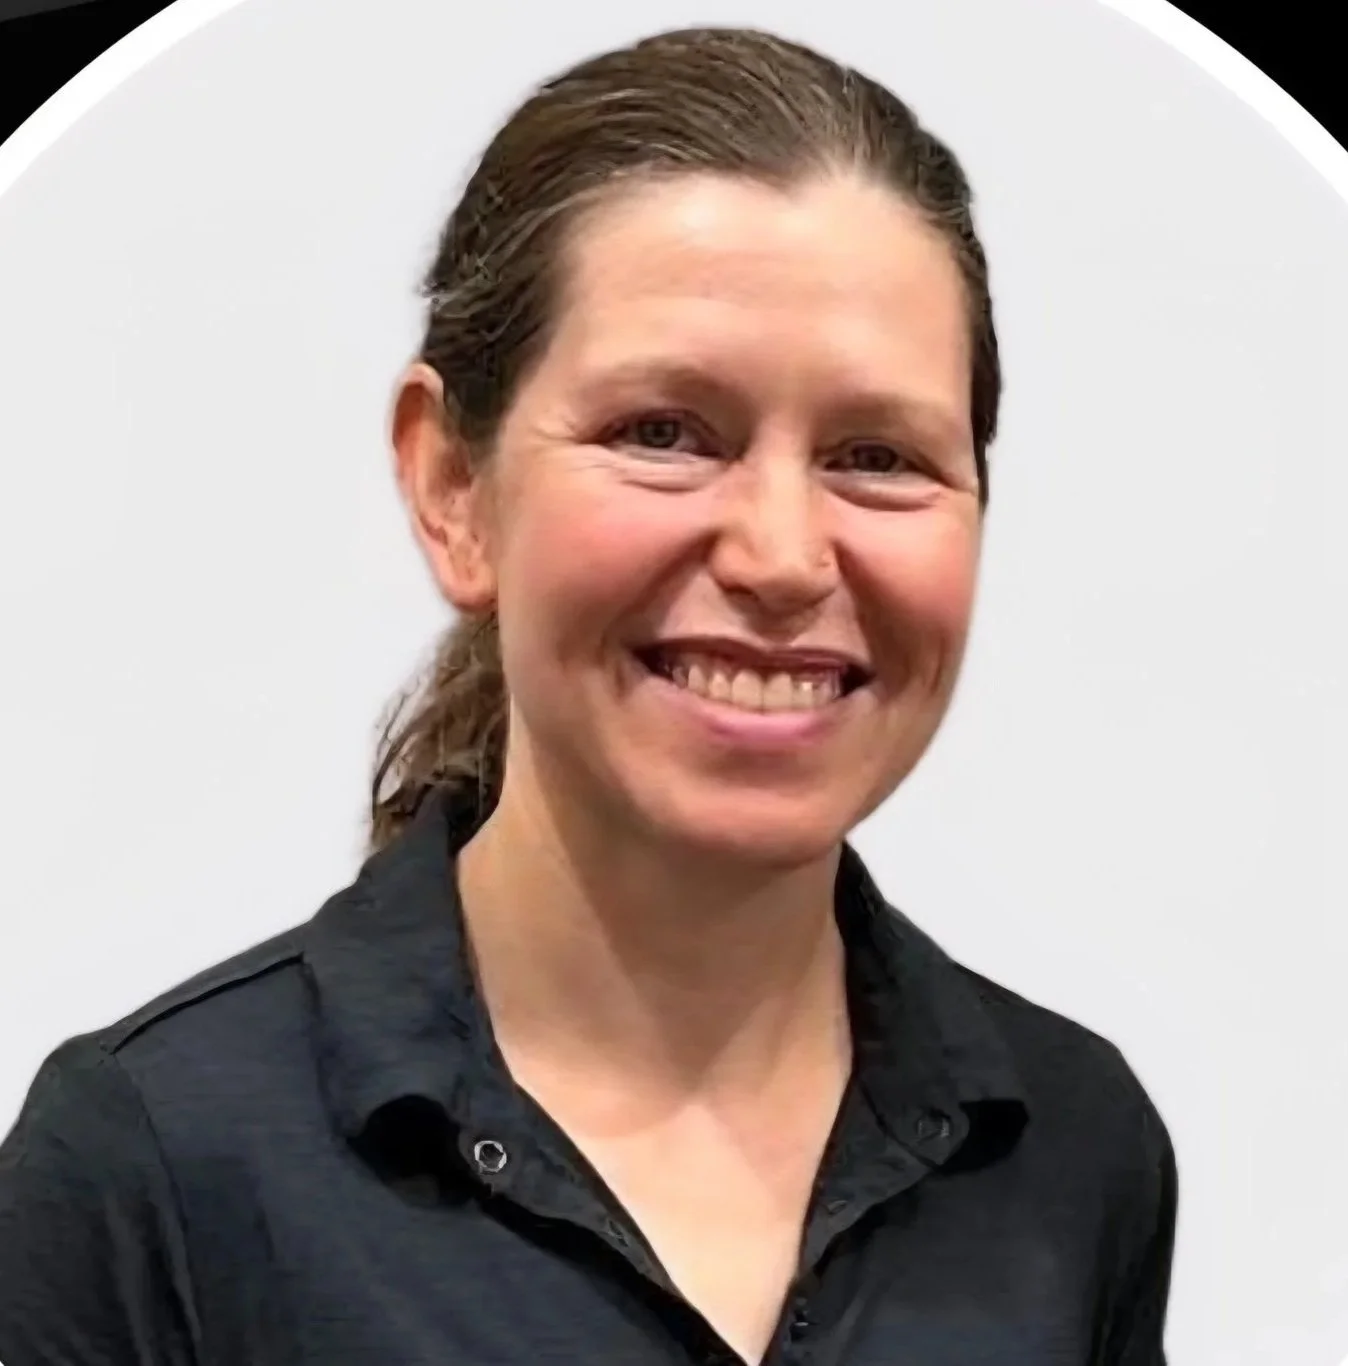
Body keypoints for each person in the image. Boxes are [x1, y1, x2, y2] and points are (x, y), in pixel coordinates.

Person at [0, 25, 1177, 1366]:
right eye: (663, 432)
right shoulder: (155, 1166)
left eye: (877, 455)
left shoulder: (1078, 1153)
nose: (783, 556)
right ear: (454, 487)